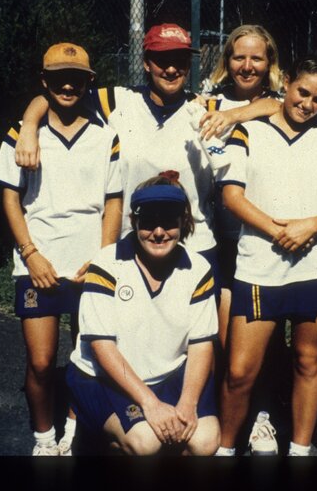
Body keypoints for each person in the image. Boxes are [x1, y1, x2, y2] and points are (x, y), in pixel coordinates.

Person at [213, 57, 317, 457]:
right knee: (240, 371)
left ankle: (299, 450)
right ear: (287, 83)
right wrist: (277, 230)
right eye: (302, 92)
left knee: (309, 361)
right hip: (260, 266)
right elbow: (232, 196)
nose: (308, 104)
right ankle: (225, 450)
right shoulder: (248, 131)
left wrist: (310, 226)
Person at [0, 42, 123, 456]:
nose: (68, 86)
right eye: (59, 78)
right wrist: (30, 254)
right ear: (44, 81)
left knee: (90, 357)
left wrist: (102, 258)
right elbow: (10, 198)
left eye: (77, 78)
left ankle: (75, 428)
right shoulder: (22, 134)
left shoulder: (106, 135)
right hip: (39, 264)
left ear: (89, 82)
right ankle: (44, 438)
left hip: (88, 264)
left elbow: (113, 201)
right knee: (42, 361)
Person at [15, 24, 220, 282]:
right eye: (161, 60)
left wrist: (233, 113)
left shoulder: (209, 109)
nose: (171, 69)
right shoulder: (117, 100)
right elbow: (60, 93)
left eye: (179, 60)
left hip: (194, 243)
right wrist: (29, 125)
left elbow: (265, 106)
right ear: (146, 63)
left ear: (189, 64)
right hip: (132, 244)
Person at [65, 172, 220, 455]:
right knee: (145, 442)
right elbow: (102, 347)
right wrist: (151, 404)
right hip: (104, 378)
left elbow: (201, 344)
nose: (158, 232)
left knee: (205, 442)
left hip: (169, 374)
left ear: (183, 222)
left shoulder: (199, 269)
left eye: (169, 221)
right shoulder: (106, 264)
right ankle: (95, 440)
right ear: (134, 221)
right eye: (148, 221)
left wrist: (188, 403)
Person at [199, 25, 286, 455]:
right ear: (226, 61)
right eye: (239, 57)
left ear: (269, 63)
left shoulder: (281, 104)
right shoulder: (206, 102)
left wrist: (233, 116)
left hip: (266, 235)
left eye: (257, 58)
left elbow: (275, 103)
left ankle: (263, 418)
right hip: (221, 238)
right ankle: (223, 415)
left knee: (265, 339)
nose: (247, 66)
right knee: (224, 339)